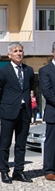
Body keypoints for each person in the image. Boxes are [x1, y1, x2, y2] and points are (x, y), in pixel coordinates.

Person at [0, 42, 34, 184]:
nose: (18, 53)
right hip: (9, 112)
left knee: (21, 144)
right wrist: (8, 103)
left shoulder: (28, 70)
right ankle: (4, 171)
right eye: (15, 51)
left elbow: (30, 88)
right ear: (9, 55)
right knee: (5, 143)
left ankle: (19, 170)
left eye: (20, 50)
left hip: (24, 112)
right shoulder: (4, 71)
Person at [39, 42, 55, 181]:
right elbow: (48, 93)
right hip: (53, 112)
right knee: (52, 142)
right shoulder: (45, 71)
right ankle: (49, 169)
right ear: (53, 52)